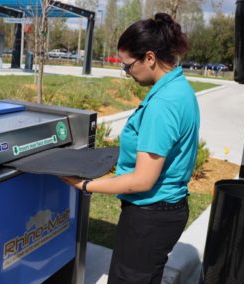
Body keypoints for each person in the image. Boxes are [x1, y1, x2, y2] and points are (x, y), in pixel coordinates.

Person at [62, 12, 200, 284]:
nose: (127, 72)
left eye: (127, 66)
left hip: (149, 219)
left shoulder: (163, 104)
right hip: (166, 212)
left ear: (150, 58)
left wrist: (85, 186)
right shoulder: (180, 89)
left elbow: (142, 180)